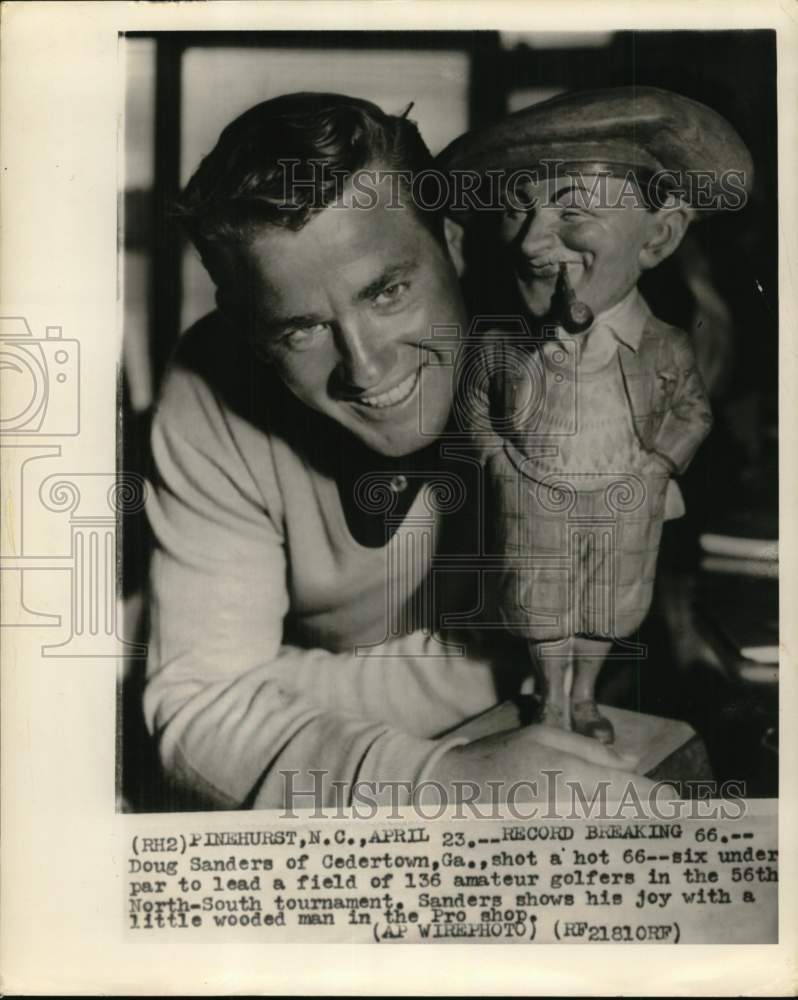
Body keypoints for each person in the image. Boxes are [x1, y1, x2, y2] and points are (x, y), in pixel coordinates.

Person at [144, 91, 659, 811]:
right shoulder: (211, 381)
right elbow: (199, 715)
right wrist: (436, 785)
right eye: (300, 329)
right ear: (245, 327)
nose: (365, 367)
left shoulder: (569, 355)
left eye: (388, 292)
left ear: (451, 241)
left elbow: (589, 656)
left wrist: (257, 691)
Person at [437, 87, 751, 743]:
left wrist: (657, 469)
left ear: (658, 237)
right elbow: (474, 407)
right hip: (533, 494)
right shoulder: (499, 343)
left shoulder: (664, 345)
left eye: (572, 211)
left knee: (612, 601)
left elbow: (691, 412)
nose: (530, 242)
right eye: (518, 211)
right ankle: (550, 699)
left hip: (627, 498)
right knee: (538, 600)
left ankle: (583, 697)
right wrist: (500, 463)